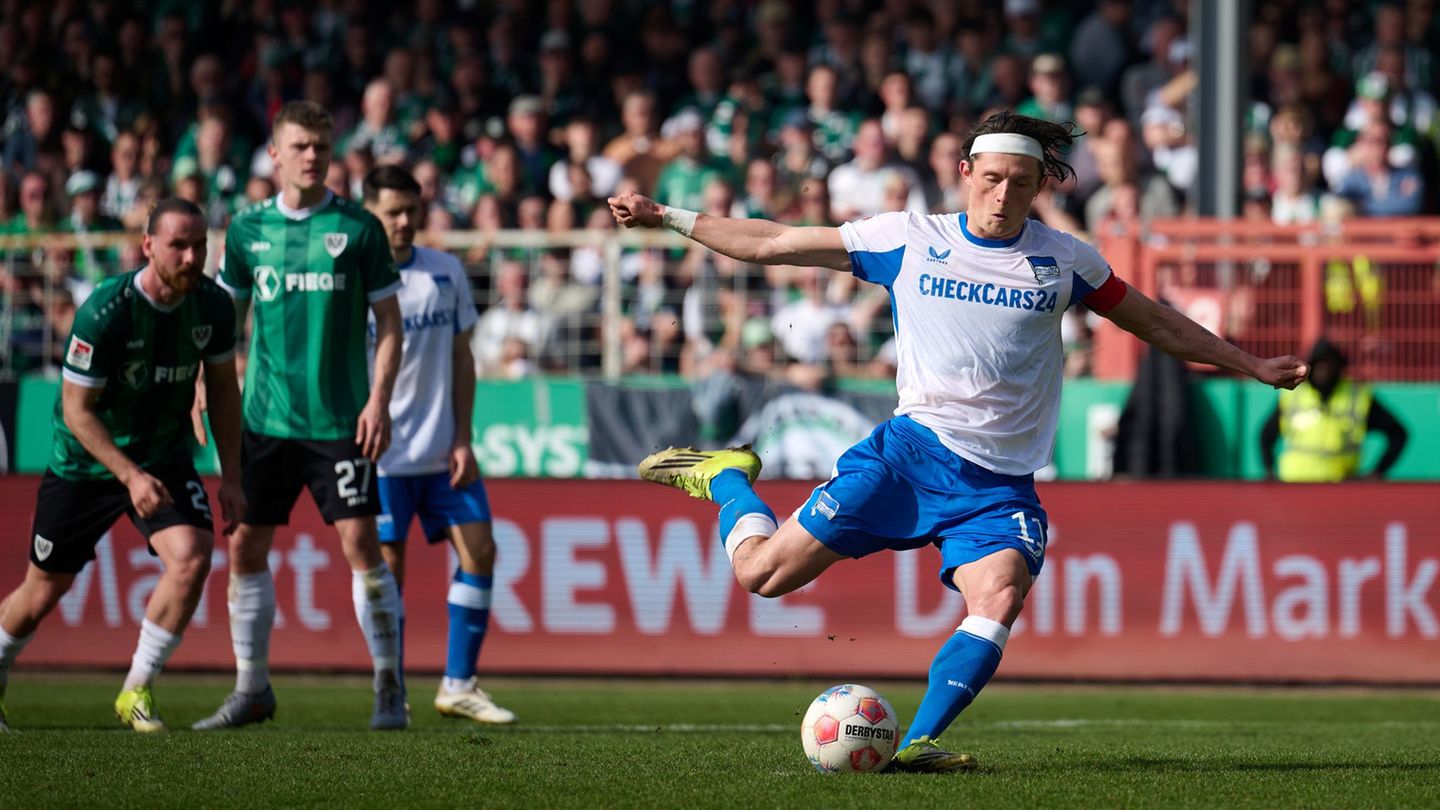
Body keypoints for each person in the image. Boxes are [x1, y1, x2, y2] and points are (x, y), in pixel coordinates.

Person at [608, 111, 1308, 772]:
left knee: (999, 595)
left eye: (1022, 184)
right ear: (966, 171)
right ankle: (727, 477)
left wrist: (1249, 364)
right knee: (762, 577)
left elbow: (1155, 323)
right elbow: (773, 242)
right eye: (993, 178)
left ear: (1041, 188)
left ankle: (918, 745)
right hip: (908, 458)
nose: (1005, 196)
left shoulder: (1066, 260)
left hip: (1000, 485)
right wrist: (669, 216)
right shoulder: (907, 237)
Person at [197, 101, 407, 731]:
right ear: (275, 152)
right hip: (263, 421)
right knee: (245, 548)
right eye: (301, 145)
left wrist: (378, 399)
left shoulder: (360, 228)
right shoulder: (244, 230)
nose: (312, 155)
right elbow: (225, 324)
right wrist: (206, 386)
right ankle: (252, 688)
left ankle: (389, 684)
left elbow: (391, 325)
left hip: (341, 420)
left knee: (362, 545)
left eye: (321, 145)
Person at [0, 199, 244, 732]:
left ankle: (136, 689)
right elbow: (75, 410)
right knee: (42, 593)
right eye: (178, 245)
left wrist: (232, 475)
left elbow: (224, 394)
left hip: (161, 454)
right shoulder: (104, 312)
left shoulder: (213, 306)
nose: (191, 256)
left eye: (199, 245)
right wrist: (129, 476)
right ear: (148, 246)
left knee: (192, 556)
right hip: (86, 462)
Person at [360, 166, 516, 725]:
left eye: (410, 211)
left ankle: (458, 684)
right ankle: (390, 689)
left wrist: (463, 436)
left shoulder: (444, 271)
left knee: (481, 552)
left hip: (444, 448)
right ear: (369, 215)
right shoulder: (353, 278)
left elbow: (461, 358)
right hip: (381, 456)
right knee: (387, 573)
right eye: (391, 212)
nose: (403, 222)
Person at [1260, 339, 1408, 482]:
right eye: (1318, 366)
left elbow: (1398, 433)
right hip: (1295, 485)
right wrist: (1270, 472)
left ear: (1338, 367)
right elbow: (1266, 435)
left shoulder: (1357, 396)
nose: (1323, 372)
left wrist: (1377, 472)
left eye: (1328, 365)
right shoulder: (1293, 396)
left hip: (1342, 489)